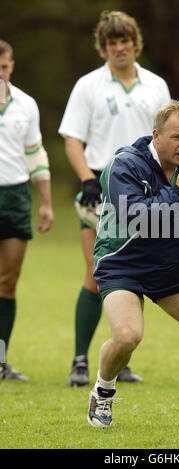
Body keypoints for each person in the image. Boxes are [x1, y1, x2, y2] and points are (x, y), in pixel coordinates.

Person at [87, 100, 179, 428]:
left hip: (171, 269)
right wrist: (178, 194)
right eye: (176, 137)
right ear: (156, 135)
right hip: (123, 265)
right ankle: (103, 390)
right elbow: (135, 218)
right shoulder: (125, 164)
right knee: (127, 336)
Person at [58, 11, 171, 387]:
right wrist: (87, 179)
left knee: (133, 274)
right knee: (95, 273)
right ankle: (79, 361)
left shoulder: (155, 86)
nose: (119, 48)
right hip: (100, 190)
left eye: (124, 41)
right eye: (111, 43)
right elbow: (72, 138)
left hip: (145, 193)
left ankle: (120, 360)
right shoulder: (88, 86)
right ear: (103, 47)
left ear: (134, 43)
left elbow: (168, 139)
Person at [0, 40, 54, 380]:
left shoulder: (26, 105)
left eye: (3, 67)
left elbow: (35, 155)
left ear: (12, 66)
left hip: (16, 197)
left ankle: (1, 359)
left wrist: (46, 201)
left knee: (7, 282)